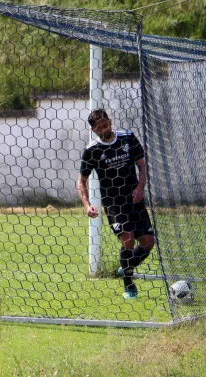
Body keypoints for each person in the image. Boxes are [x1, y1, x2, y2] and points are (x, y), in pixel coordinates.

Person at [77, 109, 155, 299]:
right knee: (128, 239)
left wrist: (140, 187)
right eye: (100, 127)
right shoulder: (92, 150)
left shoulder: (127, 137)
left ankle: (125, 268)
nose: (105, 129)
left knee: (148, 243)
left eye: (106, 124)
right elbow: (81, 181)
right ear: (94, 130)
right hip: (113, 202)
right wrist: (87, 205)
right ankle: (129, 286)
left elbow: (142, 166)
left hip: (134, 197)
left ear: (110, 121)